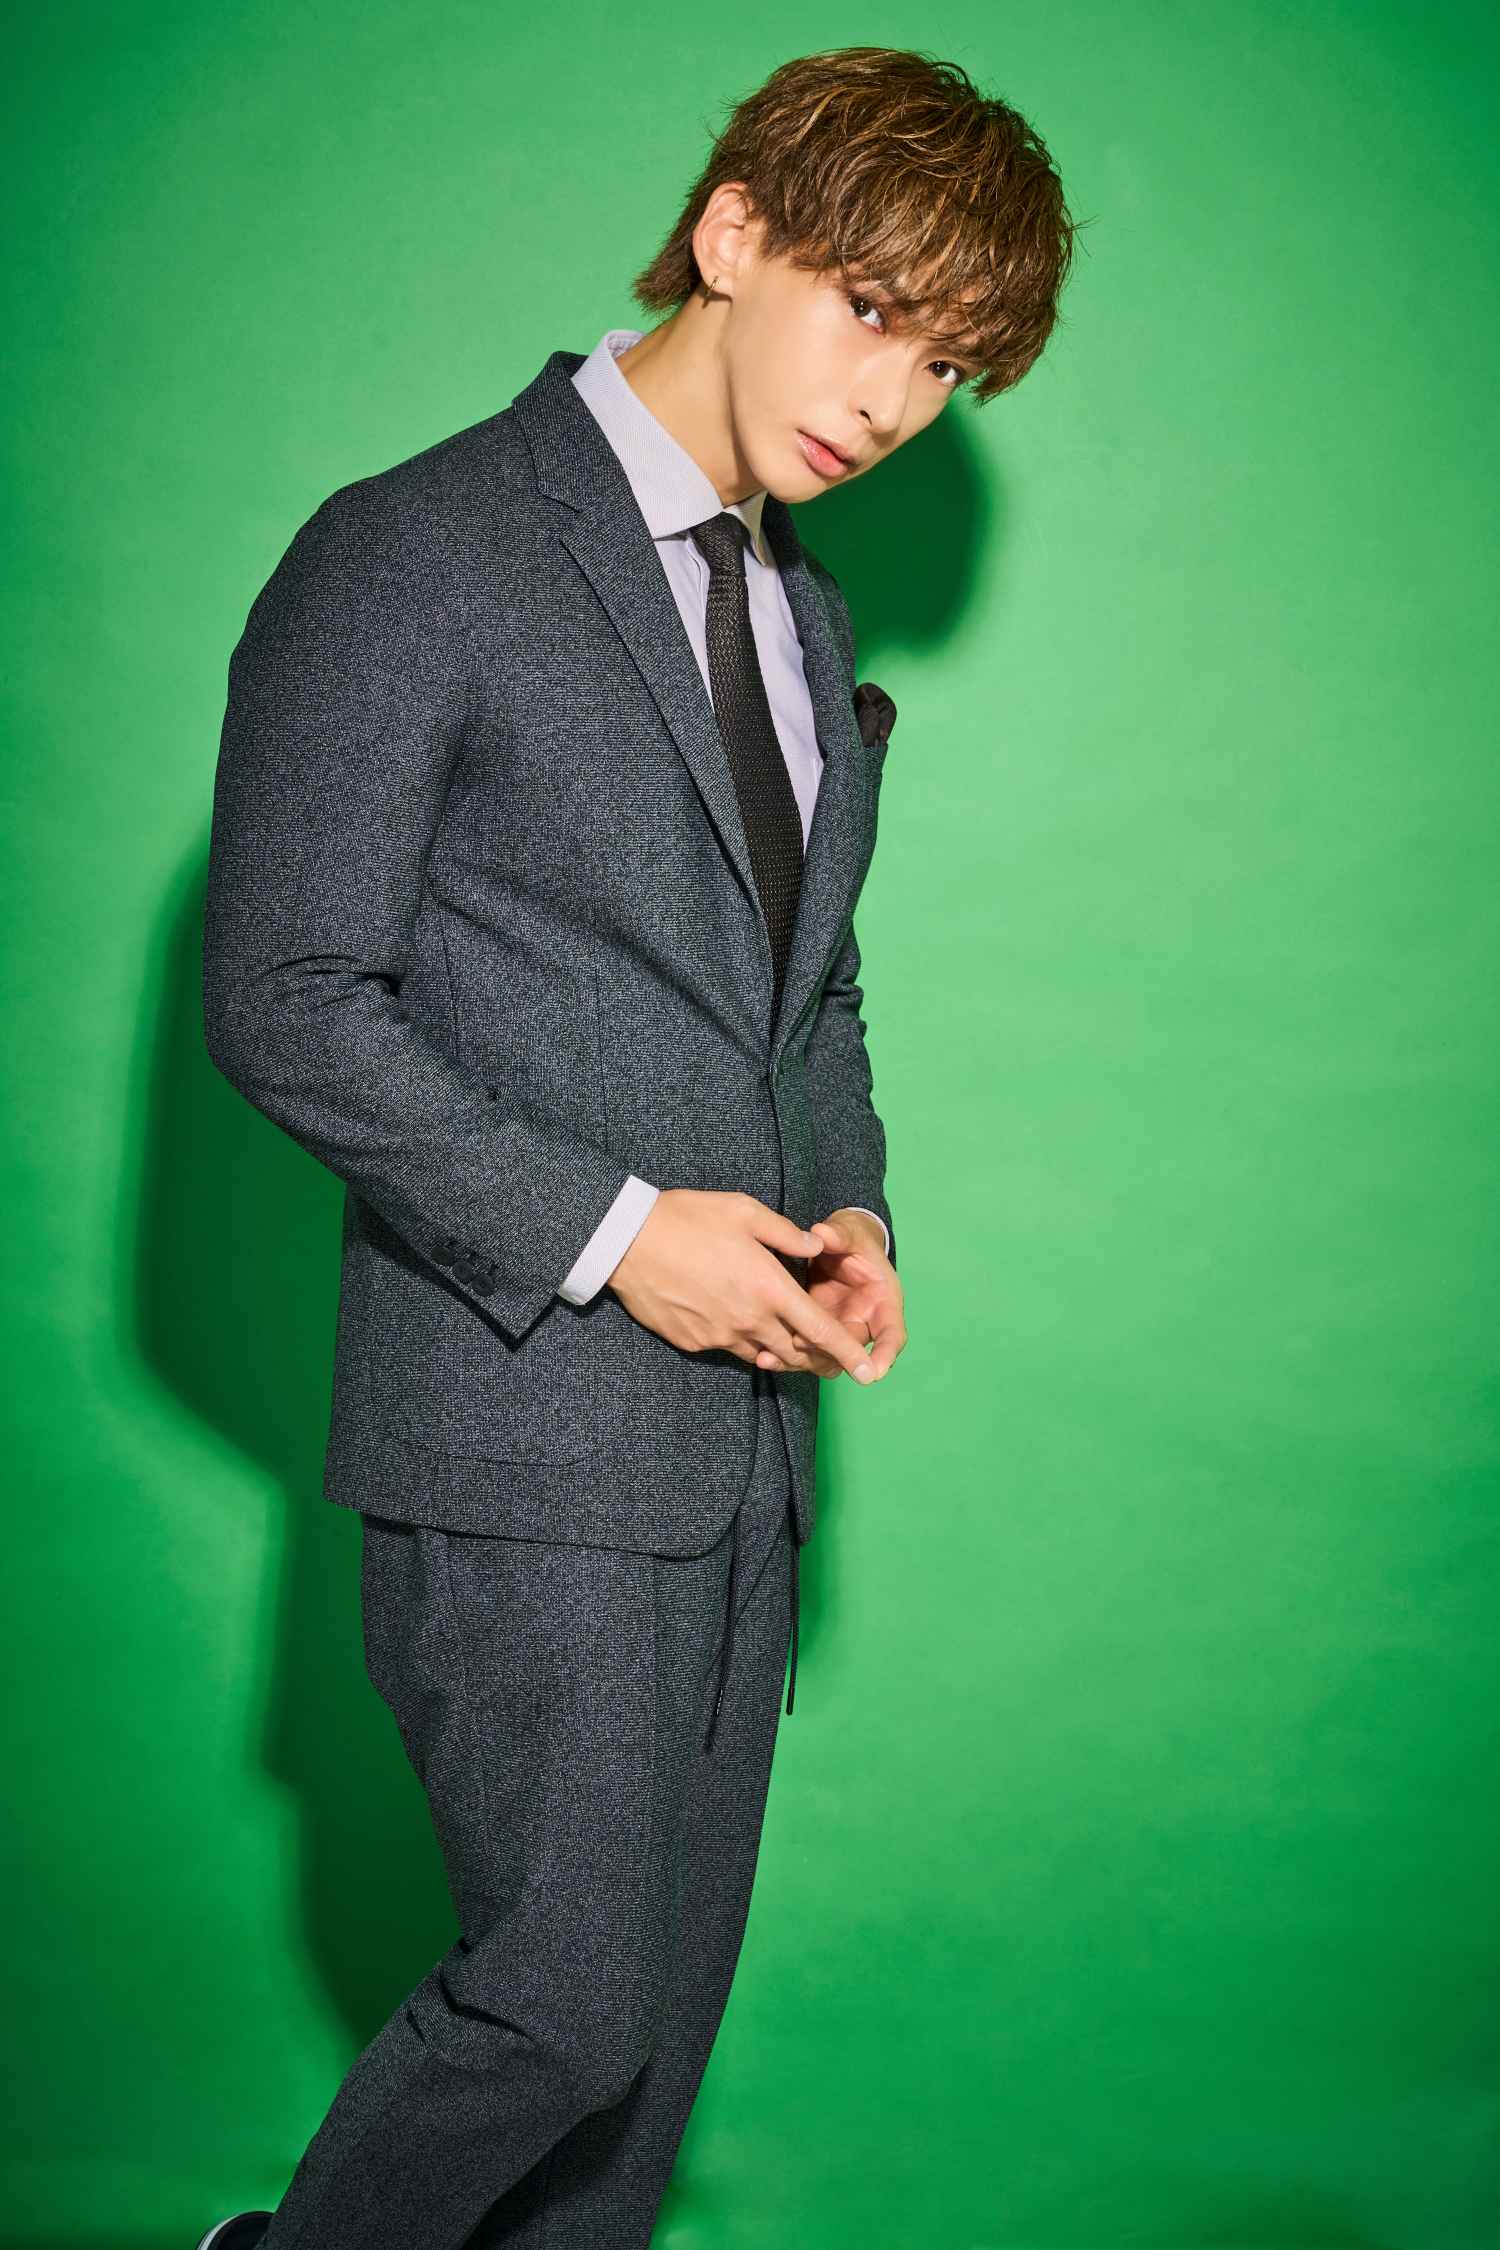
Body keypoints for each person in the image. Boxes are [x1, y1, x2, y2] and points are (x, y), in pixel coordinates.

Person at [196, 43, 1073, 2250]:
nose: (896, 400)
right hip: (519, 1437)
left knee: (647, 2072)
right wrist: (612, 1235)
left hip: (748, 1457)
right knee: (564, 2010)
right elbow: (285, 994)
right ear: (733, 230)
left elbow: (809, 994)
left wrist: (853, 1202)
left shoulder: (804, 614)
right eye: (875, 311)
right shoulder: (415, 551)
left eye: (949, 366)